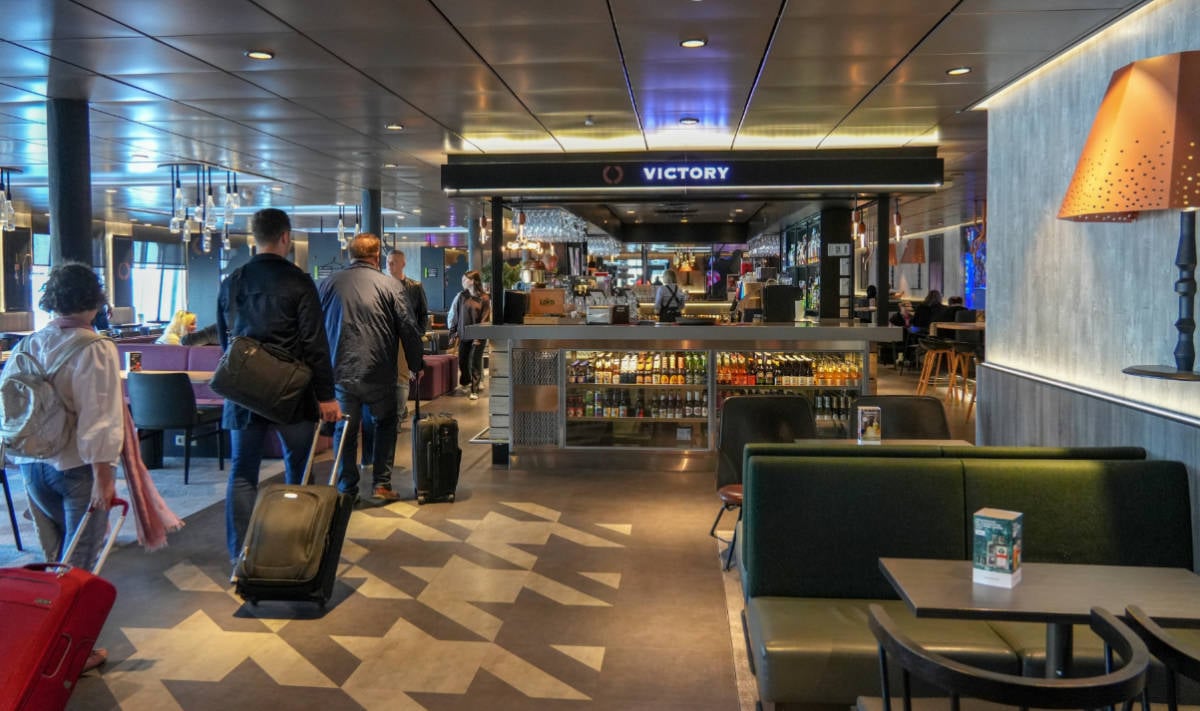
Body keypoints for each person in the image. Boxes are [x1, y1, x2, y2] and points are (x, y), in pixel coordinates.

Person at [13, 262, 124, 672]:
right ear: (94, 301)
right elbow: (101, 418)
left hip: (32, 466)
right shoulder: (94, 348)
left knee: (53, 559)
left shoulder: (28, 344)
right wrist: (105, 477)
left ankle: (43, 640)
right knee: (81, 564)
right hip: (76, 468)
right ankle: (72, 652)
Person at [217, 208, 341, 569]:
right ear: (286, 237)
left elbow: (227, 343)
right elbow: (315, 343)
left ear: (254, 237)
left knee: (243, 473)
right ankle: (296, 545)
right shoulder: (299, 282)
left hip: (244, 391)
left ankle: (239, 553)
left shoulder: (233, 281)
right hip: (291, 392)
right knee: (300, 468)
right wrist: (326, 396)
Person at [320, 234, 424, 501]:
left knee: (346, 431)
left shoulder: (328, 283)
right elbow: (409, 328)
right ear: (377, 256)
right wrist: (415, 364)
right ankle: (381, 484)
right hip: (379, 370)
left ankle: (347, 489)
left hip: (341, 370)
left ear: (349, 254)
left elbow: (315, 328)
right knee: (386, 424)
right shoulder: (390, 285)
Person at [386, 249, 429, 419]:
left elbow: (422, 313)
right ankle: (399, 410)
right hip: (387, 337)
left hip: (407, 337)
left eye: (393, 262)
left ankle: (398, 414)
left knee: (403, 377)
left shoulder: (414, 287)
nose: (389, 266)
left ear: (402, 264)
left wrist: (418, 334)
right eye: (388, 262)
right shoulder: (383, 285)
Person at [448, 270, 491, 400]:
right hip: (464, 334)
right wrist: (453, 332)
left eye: (464, 279)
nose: (462, 282)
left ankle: (475, 389)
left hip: (478, 336)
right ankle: (465, 382)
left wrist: (479, 336)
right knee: (463, 361)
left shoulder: (484, 298)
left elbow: (485, 318)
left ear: (472, 281)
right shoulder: (462, 296)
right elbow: (456, 315)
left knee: (474, 362)